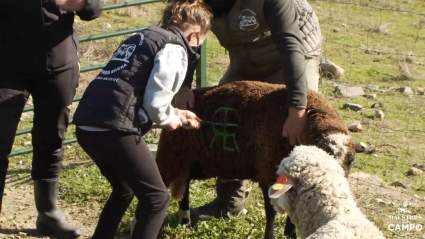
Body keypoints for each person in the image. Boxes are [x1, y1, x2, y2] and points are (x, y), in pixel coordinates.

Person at [172, 0, 323, 234]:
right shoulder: (195, 2)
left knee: (298, 132)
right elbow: (189, 36)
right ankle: (229, 203)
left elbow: (291, 47)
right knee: (225, 122)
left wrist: (297, 109)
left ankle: (296, 216)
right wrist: (183, 85)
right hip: (244, 62)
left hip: (293, 57)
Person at [72, 1, 212, 238]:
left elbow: (133, 88)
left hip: (88, 123)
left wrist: (177, 113)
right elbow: (156, 105)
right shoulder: (175, 49)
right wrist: (170, 118)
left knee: (124, 189)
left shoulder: (144, 35)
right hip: (115, 130)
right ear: (197, 34)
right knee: (157, 200)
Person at [0, 0, 103, 238]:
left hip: (58, 63)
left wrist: (79, 2)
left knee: (51, 138)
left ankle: (48, 213)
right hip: (7, 64)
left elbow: (95, 9)